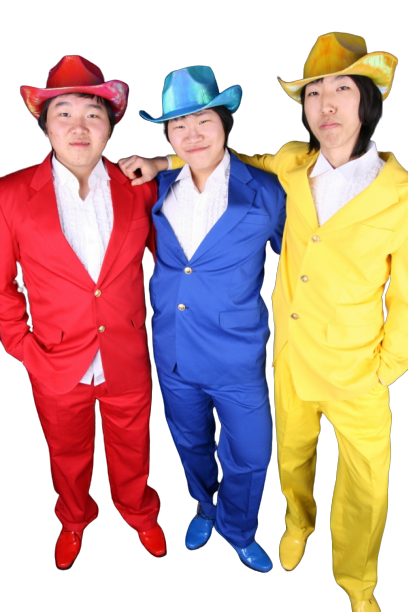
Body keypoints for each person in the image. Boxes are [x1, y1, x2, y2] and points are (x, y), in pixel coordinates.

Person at [119, 34, 406, 610]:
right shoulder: (275, 169)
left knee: (274, 462)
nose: (326, 104)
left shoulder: (295, 190)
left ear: (368, 101)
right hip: (207, 355)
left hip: (301, 362)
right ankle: (239, 513)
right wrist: (164, 161)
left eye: (342, 89)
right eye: (314, 92)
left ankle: (330, 571)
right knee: (221, 449)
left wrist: (389, 365)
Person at [0, 55, 166, 571]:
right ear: (45, 126)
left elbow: (166, 266)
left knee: (134, 447)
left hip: (127, 354)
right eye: (64, 113)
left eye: (93, 114)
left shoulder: (139, 185)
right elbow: (2, 287)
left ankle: (139, 512)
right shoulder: (9, 193)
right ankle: (74, 519)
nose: (79, 127)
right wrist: (25, 349)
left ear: (110, 128)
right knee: (66, 455)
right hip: (53, 361)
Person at [120, 66, 286, 572]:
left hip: (239, 357)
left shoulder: (268, 191)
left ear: (224, 125)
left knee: (251, 454)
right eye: (178, 125)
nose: (191, 135)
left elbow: (298, 263)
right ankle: (207, 507)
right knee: (191, 443)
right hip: (173, 352)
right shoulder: (157, 184)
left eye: (203, 122)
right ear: (168, 135)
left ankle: (239, 528)